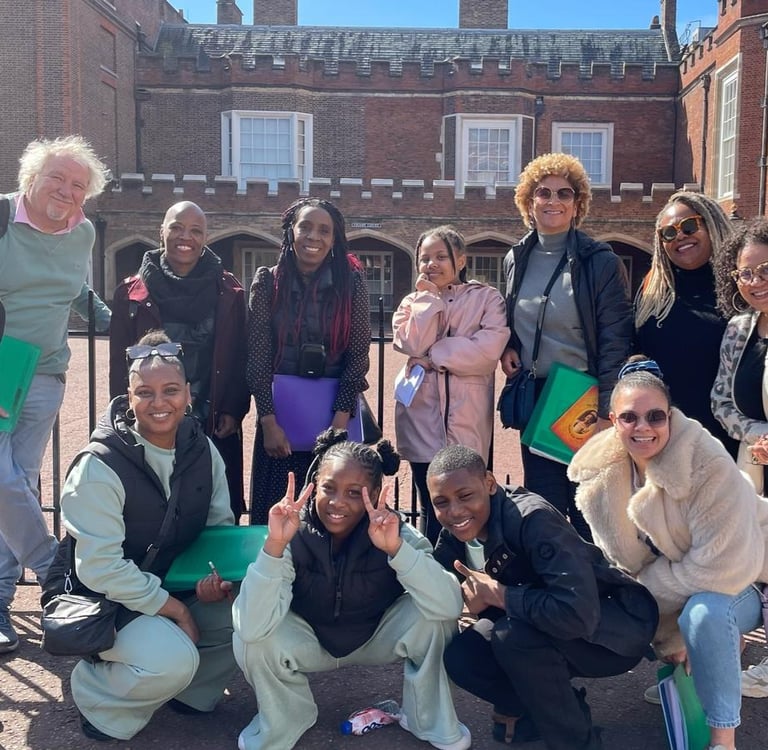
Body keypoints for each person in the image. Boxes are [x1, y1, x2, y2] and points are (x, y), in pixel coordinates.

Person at [569, 357, 768, 750]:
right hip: (685, 575)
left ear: (671, 417)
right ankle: (708, 655)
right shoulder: (599, 478)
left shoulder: (706, 460)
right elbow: (625, 563)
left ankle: (722, 740)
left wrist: (654, 608)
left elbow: (724, 568)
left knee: (704, 614)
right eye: (629, 417)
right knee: (671, 616)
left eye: (655, 416)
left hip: (752, 574)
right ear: (612, 419)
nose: (643, 427)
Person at [50, 331, 237, 742]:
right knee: (172, 658)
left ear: (188, 393)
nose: (159, 403)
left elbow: (217, 532)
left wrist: (214, 582)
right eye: (145, 392)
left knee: (249, 619)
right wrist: (176, 610)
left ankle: (190, 692)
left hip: (170, 583)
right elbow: (99, 569)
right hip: (104, 599)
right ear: (129, 396)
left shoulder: (203, 450)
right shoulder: (98, 466)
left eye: (170, 390)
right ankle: (99, 695)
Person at [232, 430, 470, 750]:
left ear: (374, 493)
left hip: (376, 635)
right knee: (253, 638)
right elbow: (250, 626)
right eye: (329, 488)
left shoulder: (396, 532)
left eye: (355, 492)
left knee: (436, 618)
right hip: (309, 639)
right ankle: (287, 717)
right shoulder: (290, 533)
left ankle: (427, 717)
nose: (338, 502)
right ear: (314, 484)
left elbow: (450, 606)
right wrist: (274, 546)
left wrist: (397, 550)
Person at [430, 445, 657, 750]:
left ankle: (578, 743)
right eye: (441, 502)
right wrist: (394, 548)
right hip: (546, 623)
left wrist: (500, 596)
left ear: (489, 483)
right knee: (463, 657)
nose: (455, 511)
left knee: (512, 637)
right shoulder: (456, 531)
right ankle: (550, 711)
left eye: (465, 496)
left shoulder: (533, 520)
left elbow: (577, 613)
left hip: (609, 633)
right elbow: (432, 576)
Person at [0, 135, 108, 653]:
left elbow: (76, 293)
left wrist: (122, 320)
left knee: (14, 484)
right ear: (31, 179)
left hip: (44, 373)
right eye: (57, 178)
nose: (66, 191)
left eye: (77, 185)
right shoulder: (1, 221)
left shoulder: (81, 232)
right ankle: (52, 567)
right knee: (3, 480)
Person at [500, 152, 632, 539]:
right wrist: (510, 345)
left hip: (580, 396)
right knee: (545, 504)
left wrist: (608, 409)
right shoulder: (515, 257)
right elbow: (513, 316)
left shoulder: (599, 261)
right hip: (536, 394)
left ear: (578, 204)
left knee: (588, 506)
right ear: (529, 201)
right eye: (543, 192)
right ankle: (557, 588)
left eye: (564, 193)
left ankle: (598, 590)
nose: (553, 200)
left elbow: (615, 339)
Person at [109, 201, 250, 518]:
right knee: (152, 501)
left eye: (195, 230)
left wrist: (233, 409)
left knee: (215, 504)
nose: (185, 236)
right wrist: (122, 411)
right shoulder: (130, 293)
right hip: (152, 413)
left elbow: (240, 357)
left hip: (212, 416)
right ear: (162, 232)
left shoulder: (230, 292)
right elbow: (120, 365)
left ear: (205, 238)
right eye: (176, 227)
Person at [247, 197, 371, 524]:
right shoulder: (267, 282)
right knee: (277, 515)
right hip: (280, 425)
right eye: (305, 227)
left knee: (333, 515)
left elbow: (358, 356)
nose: (313, 236)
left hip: (335, 415)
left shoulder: (351, 284)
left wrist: (339, 426)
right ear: (291, 232)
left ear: (334, 239)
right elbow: (258, 359)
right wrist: (268, 422)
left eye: (324, 230)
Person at [393, 225, 509, 543]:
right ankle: (434, 572)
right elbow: (411, 342)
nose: (432, 264)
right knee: (432, 507)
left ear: (460, 260)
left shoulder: (487, 298)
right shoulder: (412, 303)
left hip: (467, 421)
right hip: (421, 422)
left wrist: (434, 357)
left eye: (441, 256)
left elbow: (487, 352)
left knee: (470, 507)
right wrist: (429, 300)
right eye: (425, 258)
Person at [635, 190, 737, 457]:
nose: (680, 235)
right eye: (668, 233)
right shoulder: (653, 294)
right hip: (668, 443)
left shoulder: (741, 289)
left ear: (711, 224)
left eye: (689, 225)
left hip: (730, 443)